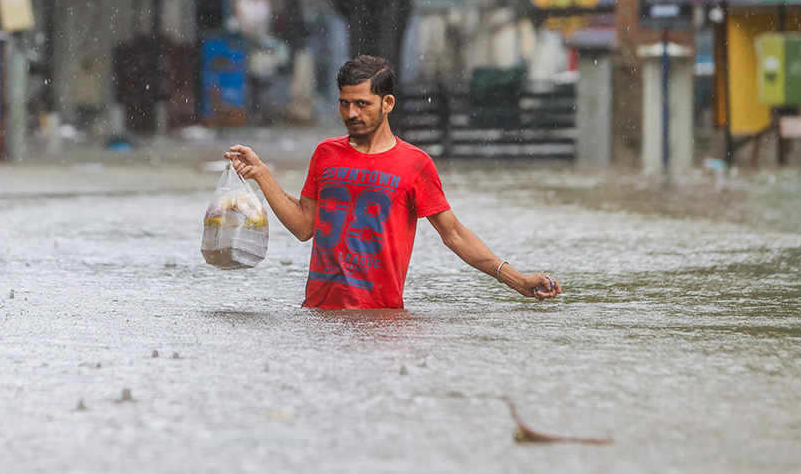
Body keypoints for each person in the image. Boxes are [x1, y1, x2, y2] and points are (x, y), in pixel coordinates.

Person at [226, 54, 562, 309]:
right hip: (318, 316)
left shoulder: (415, 164)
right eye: (344, 103)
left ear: (387, 103)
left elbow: (454, 234)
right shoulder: (325, 153)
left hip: (381, 319)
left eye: (362, 104)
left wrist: (517, 279)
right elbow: (303, 227)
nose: (351, 113)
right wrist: (261, 174)